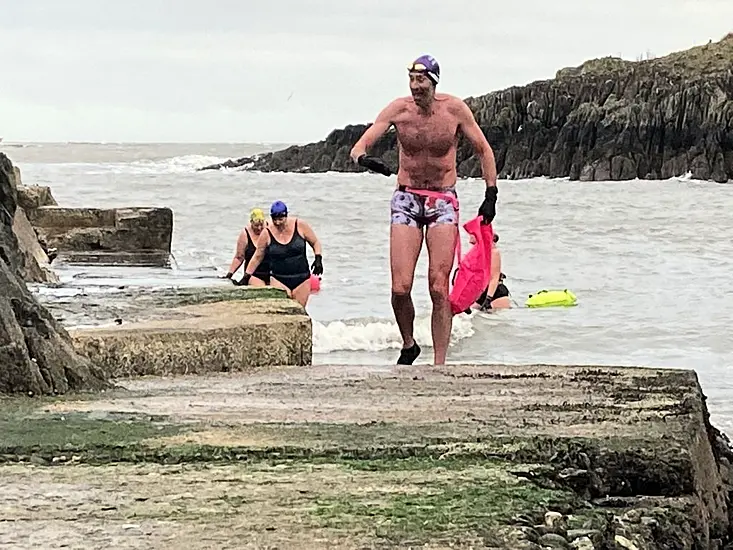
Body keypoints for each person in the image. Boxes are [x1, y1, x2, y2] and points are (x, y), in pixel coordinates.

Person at [349, 54, 499, 366]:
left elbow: (484, 150)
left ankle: (439, 364)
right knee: (400, 287)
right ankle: (408, 344)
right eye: (412, 80)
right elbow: (359, 147)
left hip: (443, 200)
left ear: (434, 81)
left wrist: (491, 194)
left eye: (422, 80)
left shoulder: (454, 110)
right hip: (407, 198)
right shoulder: (399, 110)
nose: (416, 86)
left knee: (438, 286)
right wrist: (366, 160)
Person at [240, 201, 323, 308]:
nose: (278, 222)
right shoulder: (267, 233)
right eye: (275, 219)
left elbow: (315, 242)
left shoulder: (300, 225)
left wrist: (318, 258)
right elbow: (257, 256)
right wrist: (247, 276)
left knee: (299, 312)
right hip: (279, 279)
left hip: (302, 278)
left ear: (286, 215)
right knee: (282, 310)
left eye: (281, 219)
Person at [222, 208, 270, 286]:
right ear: (251, 223)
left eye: (262, 225)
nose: (259, 228)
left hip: (271, 273)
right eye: (256, 225)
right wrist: (230, 274)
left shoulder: (270, 229)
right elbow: (239, 257)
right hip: (252, 274)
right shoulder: (245, 234)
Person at [473, 233, 512, 311]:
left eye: (473, 233)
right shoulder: (475, 251)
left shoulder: (493, 252)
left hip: (495, 292)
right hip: (481, 292)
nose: (470, 234)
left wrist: (488, 298)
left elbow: (494, 277)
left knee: (494, 320)